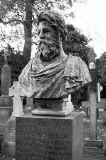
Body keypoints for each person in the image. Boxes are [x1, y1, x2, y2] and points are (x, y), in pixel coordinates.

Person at [12, 10, 91, 113]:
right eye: (39, 32)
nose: (40, 36)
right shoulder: (28, 70)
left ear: (60, 34)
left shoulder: (76, 66)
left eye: (46, 31)